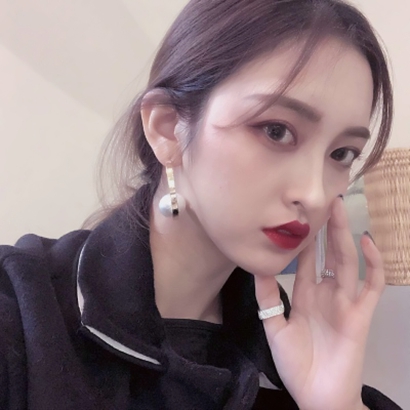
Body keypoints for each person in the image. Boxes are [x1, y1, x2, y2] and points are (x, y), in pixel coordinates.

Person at [0, 0, 403, 409]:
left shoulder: (293, 360)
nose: (315, 194)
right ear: (168, 130)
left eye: (342, 154)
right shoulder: (20, 315)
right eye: (276, 131)